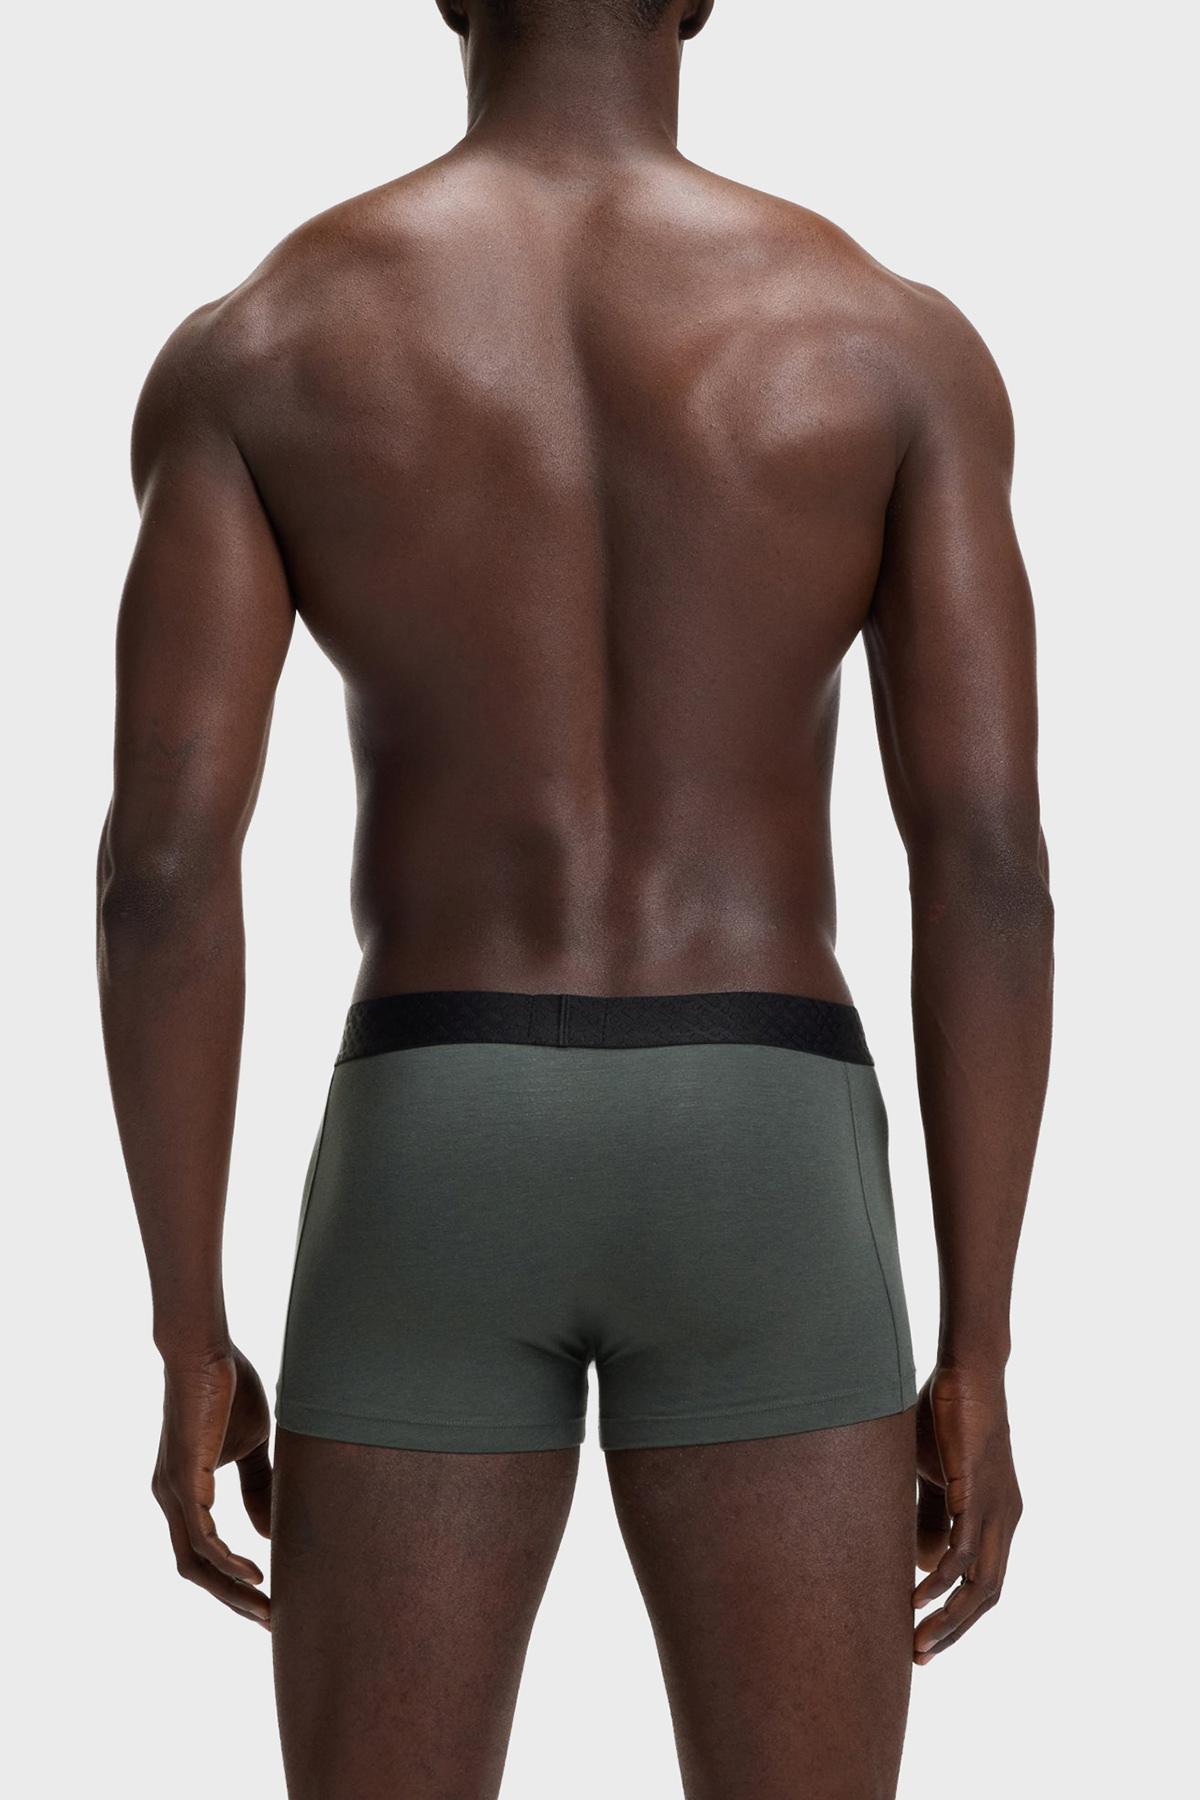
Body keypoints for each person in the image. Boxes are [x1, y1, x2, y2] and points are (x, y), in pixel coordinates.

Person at [95, 1, 1054, 1793]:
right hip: (764, 1131)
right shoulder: (886, 343)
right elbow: (988, 860)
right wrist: (982, 1342)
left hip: (434, 1123)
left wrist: (184, 1322)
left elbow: (161, 872)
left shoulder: (267, 344)